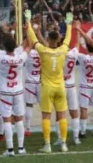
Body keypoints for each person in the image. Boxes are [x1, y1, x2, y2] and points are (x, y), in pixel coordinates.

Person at [25, 10, 73, 153]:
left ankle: (47, 145)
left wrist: (28, 22)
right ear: (58, 39)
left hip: (46, 87)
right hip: (60, 87)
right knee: (62, 115)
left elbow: (33, 38)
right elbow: (68, 39)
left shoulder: (43, 50)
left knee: (46, 116)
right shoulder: (63, 50)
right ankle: (63, 144)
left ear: (48, 39)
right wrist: (69, 24)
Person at [0, 28, 29, 156]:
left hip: (5, 92)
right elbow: (28, 44)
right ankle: (21, 148)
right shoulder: (20, 58)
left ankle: (10, 150)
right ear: (15, 47)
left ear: (4, 47)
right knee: (19, 119)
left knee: (7, 119)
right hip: (18, 91)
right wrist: (30, 28)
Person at [72, 28, 93, 138]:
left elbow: (74, 51)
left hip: (85, 86)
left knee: (84, 109)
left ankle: (83, 132)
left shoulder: (83, 57)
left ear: (86, 47)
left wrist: (77, 32)